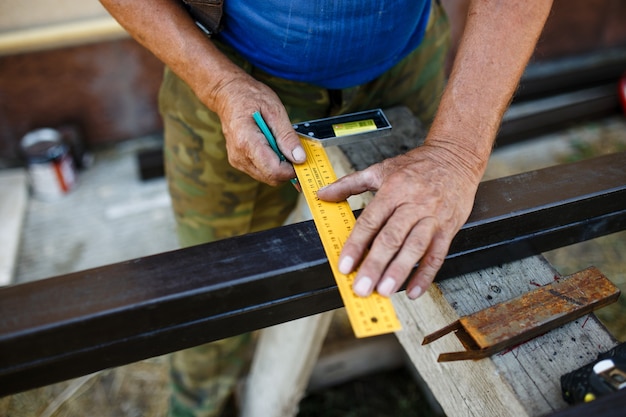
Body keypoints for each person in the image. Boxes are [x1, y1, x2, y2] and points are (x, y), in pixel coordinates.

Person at [99, 1, 553, 416]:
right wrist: (218, 84)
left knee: (415, 247)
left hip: (405, 62)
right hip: (233, 69)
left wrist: (456, 152)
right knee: (213, 293)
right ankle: (199, 406)